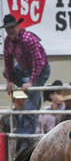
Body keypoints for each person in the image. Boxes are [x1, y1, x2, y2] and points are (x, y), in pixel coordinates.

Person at [2, 14, 51, 150]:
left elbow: (38, 62)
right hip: (25, 68)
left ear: (17, 26)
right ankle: (29, 90)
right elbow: (8, 62)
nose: (10, 30)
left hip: (40, 70)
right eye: (8, 28)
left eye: (12, 27)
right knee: (7, 73)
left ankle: (26, 146)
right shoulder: (8, 42)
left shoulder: (28, 39)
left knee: (30, 109)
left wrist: (31, 82)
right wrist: (10, 81)